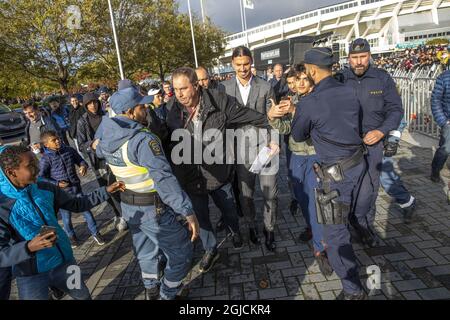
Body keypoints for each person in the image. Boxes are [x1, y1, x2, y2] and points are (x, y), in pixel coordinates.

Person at [166, 67, 277, 272]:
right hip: (191, 177)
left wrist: (271, 125)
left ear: (196, 86)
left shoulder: (219, 100)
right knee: (202, 216)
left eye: (183, 88)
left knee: (228, 210)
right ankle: (210, 249)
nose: (179, 94)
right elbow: (164, 138)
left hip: (219, 174)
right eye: (175, 89)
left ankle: (234, 231)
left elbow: (248, 115)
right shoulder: (171, 108)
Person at [94, 86, 200, 300]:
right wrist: (187, 211)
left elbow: (96, 148)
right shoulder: (142, 140)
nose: (147, 109)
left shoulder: (106, 135)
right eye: (142, 106)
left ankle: (151, 288)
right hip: (153, 208)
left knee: (146, 250)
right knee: (182, 253)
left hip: (130, 208)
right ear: (130, 112)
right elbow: (164, 179)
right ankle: (167, 293)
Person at [0, 145, 124, 300]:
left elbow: (77, 204)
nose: (37, 169)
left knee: (83, 296)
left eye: (36, 162)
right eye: (30, 166)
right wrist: (29, 247)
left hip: (65, 262)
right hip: (31, 275)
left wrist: (106, 191)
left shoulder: (44, 187)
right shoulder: (2, 206)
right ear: (11, 172)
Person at [291, 47, 367, 300]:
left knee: (335, 237)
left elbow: (298, 134)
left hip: (336, 177)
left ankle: (353, 290)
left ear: (312, 70)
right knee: (347, 222)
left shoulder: (310, 102)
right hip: (358, 166)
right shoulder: (350, 90)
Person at [268, 65, 331, 276]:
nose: (300, 83)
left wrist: (295, 111)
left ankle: (321, 249)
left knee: (314, 201)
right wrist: (273, 115)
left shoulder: (319, 99)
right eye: (297, 80)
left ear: (312, 79)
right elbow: (286, 129)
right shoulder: (291, 99)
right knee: (302, 199)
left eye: (304, 79)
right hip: (296, 156)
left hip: (314, 155)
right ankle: (312, 229)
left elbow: (316, 128)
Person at [342, 38, 403, 247]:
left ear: (370, 56)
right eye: (354, 58)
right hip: (347, 146)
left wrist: (381, 131)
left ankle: (366, 227)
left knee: (370, 189)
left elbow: (395, 109)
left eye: (363, 57)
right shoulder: (339, 79)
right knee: (348, 188)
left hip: (373, 144)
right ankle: (349, 227)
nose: (359, 62)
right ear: (348, 58)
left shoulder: (382, 78)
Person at [222, 46, 279, 251]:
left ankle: (269, 229)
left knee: (270, 194)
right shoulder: (224, 89)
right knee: (246, 196)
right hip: (240, 151)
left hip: (266, 148)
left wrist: (275, 140)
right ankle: (252, 226)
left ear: (251, 62)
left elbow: (273, 117)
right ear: (232, 64)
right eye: (239, 65)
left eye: (246, 64)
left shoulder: (265, 87)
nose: (243, 68)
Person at [38, 131, 105, 247]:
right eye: (54, 140)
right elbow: (41, 177)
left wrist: (83, 166)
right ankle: (71, 236)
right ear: (46, 145)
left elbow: (80, 160)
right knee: (66, 218)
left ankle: (95, 232)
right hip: (62, 194)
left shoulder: (69, 150)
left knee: (87, 211)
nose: (58, 140)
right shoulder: (45, 159)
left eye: (58, 138)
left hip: (76, 188)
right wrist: (57, 184)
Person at [77, 92, 125, 232]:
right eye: (90, 103)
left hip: (115, 156)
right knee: (107, 188)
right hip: (98, 161)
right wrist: (91, 144)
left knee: (121, 185)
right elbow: (81, 145)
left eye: (95, 102)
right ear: (86, 105)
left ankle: (125, 212)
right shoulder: (82, 121)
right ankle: (119, 214)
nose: (93, 105)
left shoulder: (107, 116)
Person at [379, 117, 416, 223]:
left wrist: (392, 141)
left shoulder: (382, 100)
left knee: (385, 178)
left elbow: (399, 118)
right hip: (357, 144)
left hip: (382, 143)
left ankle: (407, 201)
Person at [431, 69, 450, 183]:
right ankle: (435, 170)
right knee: (445, 149)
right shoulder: (444, 77)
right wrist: (443, 121)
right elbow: (435, 100)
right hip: (448, 121)